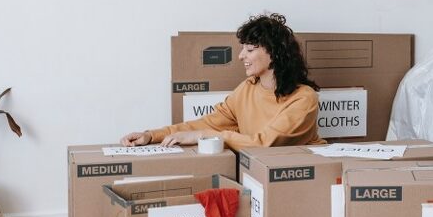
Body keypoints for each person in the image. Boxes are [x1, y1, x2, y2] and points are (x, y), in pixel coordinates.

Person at [121, 13, 326, 150]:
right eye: (243, 48)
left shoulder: (304, 99)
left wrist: (204, 135)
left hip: (307, 181)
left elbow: (265, 144)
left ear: (275, 53)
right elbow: (208, 123)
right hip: (260, 176)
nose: (240, 56)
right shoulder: (247, 89)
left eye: (250, 49)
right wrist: (151, 135)